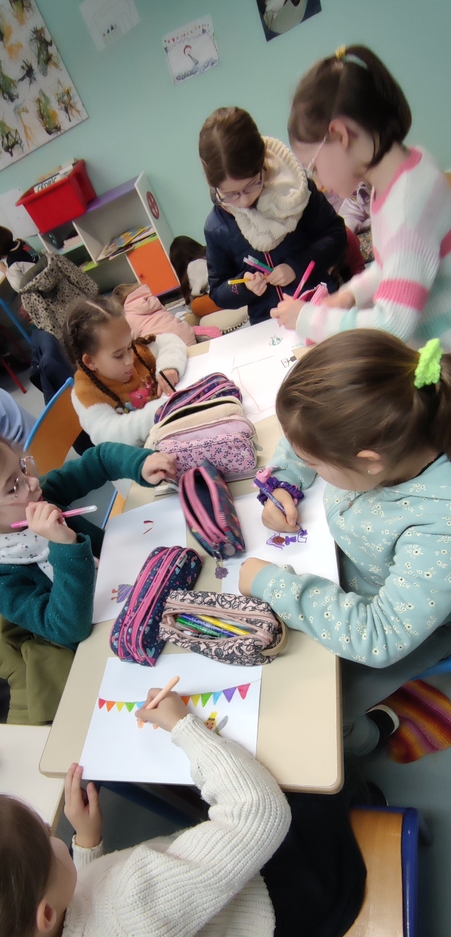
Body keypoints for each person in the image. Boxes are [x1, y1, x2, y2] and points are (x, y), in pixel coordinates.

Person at [0, 692, 365, 937]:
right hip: (282, 934)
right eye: (45, 839)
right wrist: (184, 726)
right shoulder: (136, 907)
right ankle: (366, 778)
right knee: (308, 784)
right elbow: (259, 812)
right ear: (43, 912)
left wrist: (86, 843)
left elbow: (77, 928)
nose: (47, 824)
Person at [239, 331, 451, 756]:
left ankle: (372, 737)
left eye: (318, 464)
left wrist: (273, 586)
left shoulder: (439, 524)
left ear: (369, 461)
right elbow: (306, 440)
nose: (310, 463)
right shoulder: (390, 426)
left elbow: (381, 637)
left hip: (407, 622)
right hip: (350, 571)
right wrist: (283, 484)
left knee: (322, 721)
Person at [0, 431, 175, 722]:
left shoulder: (42, 496)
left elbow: (100, 459)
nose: (32, 483)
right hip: (104, 639)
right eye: (12, 488)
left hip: (134, 579)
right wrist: (64, 547)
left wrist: (140, 463)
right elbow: (68, 629)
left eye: (21, 468)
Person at [272, 44, 451, 348]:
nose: (321, 183)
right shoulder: (407, 173)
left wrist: (307, 319)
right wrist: (349, 295)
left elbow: (391, 324)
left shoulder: (406, 207)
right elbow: (391, 267)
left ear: (340, 135)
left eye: (314, 167)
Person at [198, 106, 347, 325]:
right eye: (230, 194)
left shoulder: (296, 191)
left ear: (262, 165)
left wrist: (296, 266)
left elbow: (336, 236)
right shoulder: (217, 225)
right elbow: (218, 290)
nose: (244, 201)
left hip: (318, 308)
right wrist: (243, 286)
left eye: (251, 186)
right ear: (213, 184)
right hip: (268, 325)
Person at [65, 297, 189, 447]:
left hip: (172, 430)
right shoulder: (85, 393)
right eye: (118, 356)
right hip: (145, 458)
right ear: (90, 362)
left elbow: (170, 340)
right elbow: (108, 435)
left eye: (129, 347)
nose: (129, 360)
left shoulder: (132, 353)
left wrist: (169, 366)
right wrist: (161, 409)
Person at [114, 281, 196, 345]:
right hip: (188, 338)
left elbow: (131, 340)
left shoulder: (128, 317)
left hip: (167, 349)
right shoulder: (152, 300)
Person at [0, 222, 39, 292]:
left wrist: (6, 271)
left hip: (38, 290)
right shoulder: (22, 243)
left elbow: (20, 288)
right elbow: (35, 256)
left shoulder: (12, 263)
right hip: (48, 278)